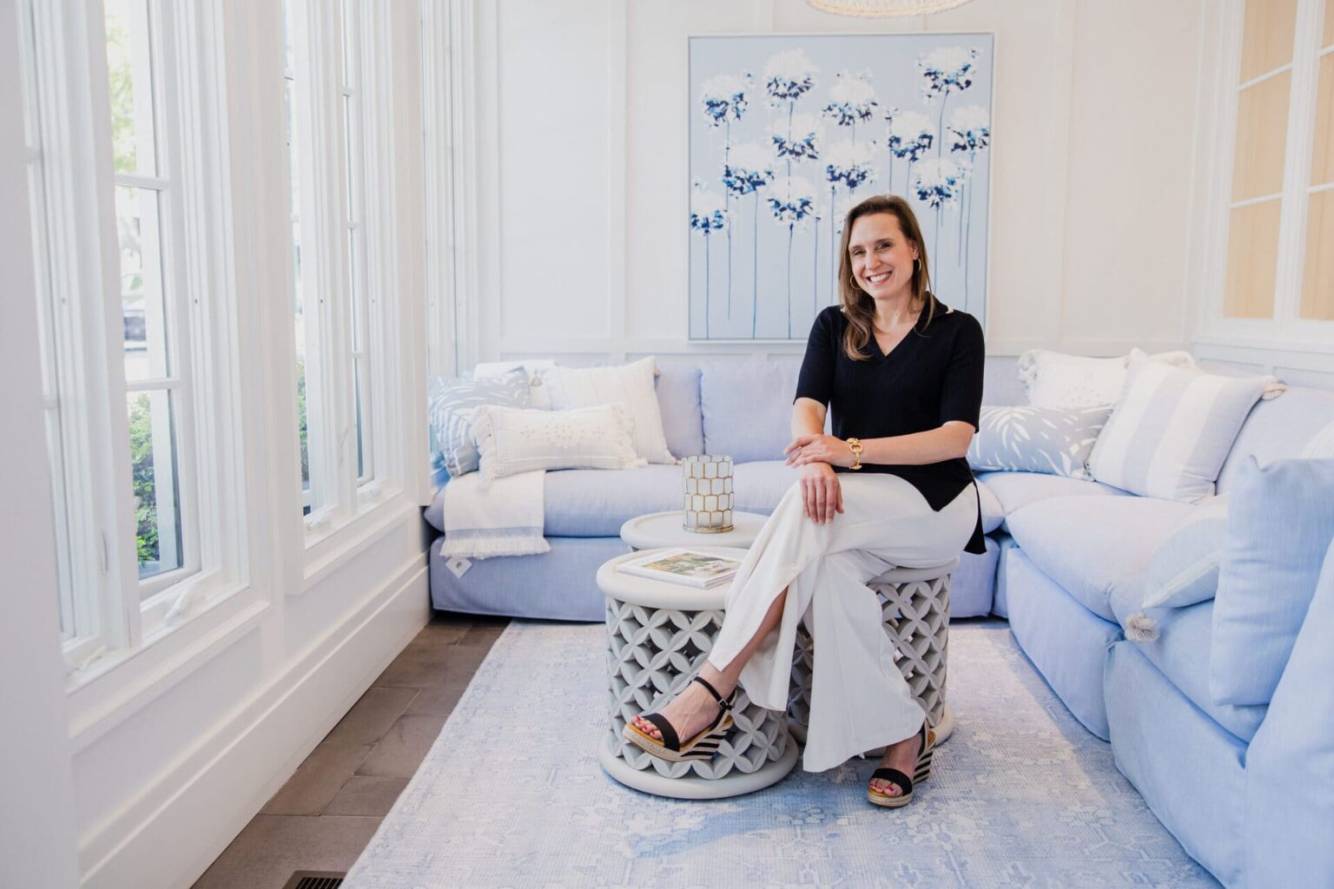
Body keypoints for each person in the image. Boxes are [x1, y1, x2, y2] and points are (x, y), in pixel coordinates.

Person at [624, 193, 985, 808]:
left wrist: (847, 452)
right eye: (859, 251)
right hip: (854, 510)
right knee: (826, 575)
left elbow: (954, 437)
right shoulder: (835, 325)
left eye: (884, 245)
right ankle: (906, 733)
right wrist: (816, 456)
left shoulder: (957, 330)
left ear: (914, 249)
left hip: (937, 505)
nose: (871, 262)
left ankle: (712, 688)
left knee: (802, 513)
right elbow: (807, 408)